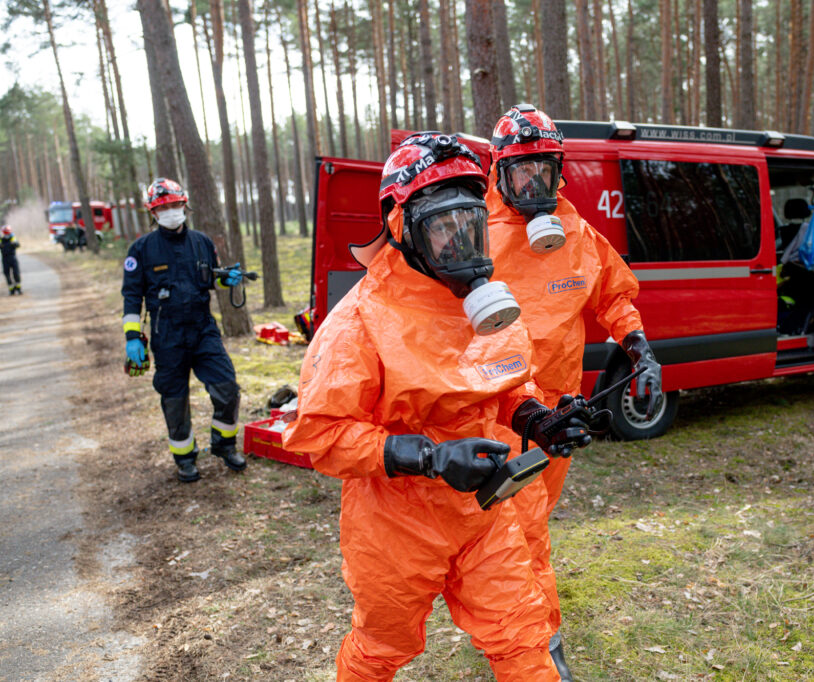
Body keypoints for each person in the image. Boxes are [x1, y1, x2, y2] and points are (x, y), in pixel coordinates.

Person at [281, 132, 590, 681]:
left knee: (523, 635)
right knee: (381, 648)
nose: (461, 245)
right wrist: (429, 458)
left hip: (483, 513)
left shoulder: (476, 306)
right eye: (442, 228)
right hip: (394, 526)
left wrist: (539, 420)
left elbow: (504, 383)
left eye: (470, 225)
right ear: (403, 230)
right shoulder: (358, 324)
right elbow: (319, 435)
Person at [487, 103, 664, 680]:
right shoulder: (474, 236)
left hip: (563, 412)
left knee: (529, 523)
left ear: (559, 169)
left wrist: (639, 347)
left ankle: (511, 624)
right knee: (524, 529)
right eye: (522, 174)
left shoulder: (578, 236)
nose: (535, 186)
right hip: (498, 409)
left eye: (545, 172)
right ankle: (540, 646)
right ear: (499, 173)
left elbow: (613, 295)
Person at [121, 178, 247, 483]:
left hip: (203, 330)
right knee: (175, 400)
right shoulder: (141, 250)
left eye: (174, 205)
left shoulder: (202, 243)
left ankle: (224, 446)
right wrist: (132, 336)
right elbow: (131, 296)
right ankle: (184, 458)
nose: (170, 211)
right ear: (153, 212)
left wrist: (226, 280)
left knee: (227, 388)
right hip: (167, 337)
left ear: (184, 204)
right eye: (162, 207)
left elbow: (211, 279)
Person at [1, 225, 22, 295]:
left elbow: (18, 245)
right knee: (7, 274)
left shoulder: (13, 238)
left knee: (16, 273)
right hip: (5, 259)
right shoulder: (1, 239)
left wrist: (15, 244)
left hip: (13, 258)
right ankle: (11, 289)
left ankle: (18, 288)